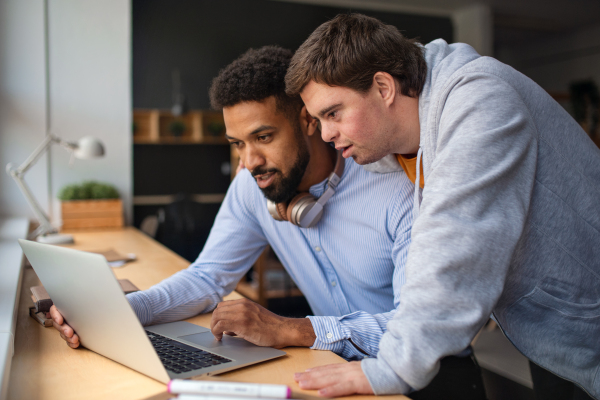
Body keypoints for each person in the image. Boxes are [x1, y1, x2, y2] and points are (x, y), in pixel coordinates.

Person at [285, 13, 600, 399]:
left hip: (588, 317)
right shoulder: (400, 132)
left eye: (333, 113)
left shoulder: (481, 100)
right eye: (319, 119)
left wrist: (391, 368)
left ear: (383, 87)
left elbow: (453, 243)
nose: (327, 133)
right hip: (548, 327)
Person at [49, 45, 415, 366]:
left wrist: (288, 328)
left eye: (263, 137)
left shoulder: (396, 190)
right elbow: (208, 277)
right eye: (238, 143)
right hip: (334, 363)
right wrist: (126, 310)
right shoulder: (251, 186)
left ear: (307, 120)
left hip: (424, 375)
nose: (249, 161)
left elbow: (414, 329)